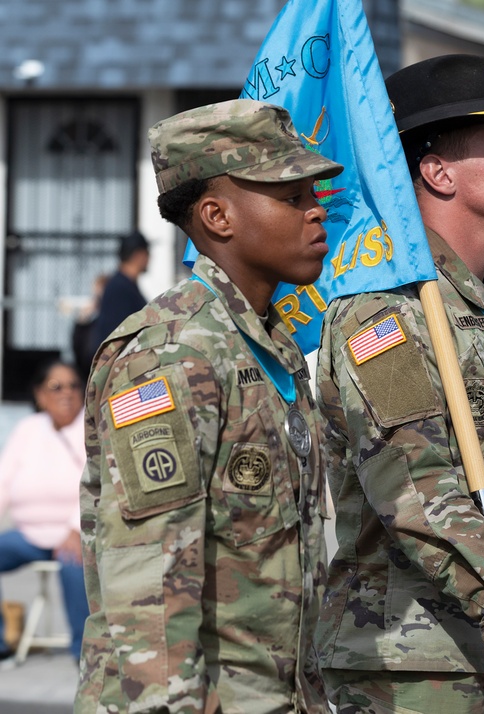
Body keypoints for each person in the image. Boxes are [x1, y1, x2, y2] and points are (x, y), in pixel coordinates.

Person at [315, 54, 484, 713]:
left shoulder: (477, 310)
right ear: (437, 171)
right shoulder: (386, 316)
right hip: (411, 668)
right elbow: (414, 487)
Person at [76, 99, 340, 712]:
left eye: (312, 193)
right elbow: (151, 580)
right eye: (292, 195)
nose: (316, 210)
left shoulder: (272, 345)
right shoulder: (172, 353)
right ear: (217, 216)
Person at [0, 359, 88, 663]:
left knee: (73, 567)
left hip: (74, 536)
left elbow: (98, 484)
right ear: (40, 395)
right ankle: (1, 645)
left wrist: (76, 529)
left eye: (74, 385)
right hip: (30, 535)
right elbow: (4, 480)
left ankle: (84, 655)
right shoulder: (28, 428)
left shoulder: (91, 427)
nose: (67, 393)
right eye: (57, 386)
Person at [87, 230, 150, 357]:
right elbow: (116, 335)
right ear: (139, 255)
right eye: (147, 254)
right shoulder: (120, 288)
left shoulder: (126, 285)